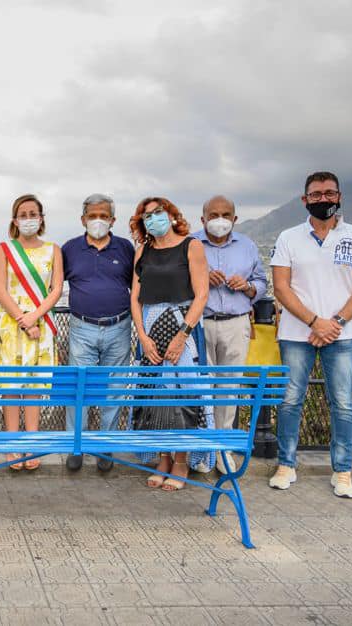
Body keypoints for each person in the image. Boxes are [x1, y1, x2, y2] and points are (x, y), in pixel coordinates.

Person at [269, 171, 352, 498]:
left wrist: (336, 323)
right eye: (316, 195)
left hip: (343, 335)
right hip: (296, 333)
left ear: (339, 196)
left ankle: (342, 472)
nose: (323, 199)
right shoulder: (289, 237)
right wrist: (315, 322)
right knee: (289, 401)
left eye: (329, 193)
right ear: (305, 200)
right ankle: (286, 465)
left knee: (342, 404)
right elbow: (281, 287)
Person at [129, 196, 210, 491]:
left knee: (184, 393)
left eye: (158, 212)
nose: (153, 219)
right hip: (150, 327)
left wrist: (182, 335)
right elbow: (135, 298)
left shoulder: (192, 246)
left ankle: (181, 460)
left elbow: (201, 295)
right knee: (156, 395)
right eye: (147, 215)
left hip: (182, 326)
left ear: (172, 215)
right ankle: (162, 457)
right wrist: (142, 335)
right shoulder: (144, 251)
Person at [61, 193, 136, 472]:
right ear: (83, 219)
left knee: (113, 390)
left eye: (104, 216)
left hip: (119, 327)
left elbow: (136, 285)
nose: (98, 221)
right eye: (93, 216)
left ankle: (105, 447)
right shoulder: (69, 249)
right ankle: (75, 446)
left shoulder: (125, 248)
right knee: (78, 389)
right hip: (81, 327)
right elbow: (55, 285)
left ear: (113, 220)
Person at [193, 195, 268, 473]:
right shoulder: (191, 244)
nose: (219, 220)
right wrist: (202, 279)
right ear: (203, 219)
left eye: (225, 214)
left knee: (229, 387)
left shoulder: (247, 246)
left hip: (236, 323)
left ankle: (222, 448)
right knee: (201, 388)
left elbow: (261, 282)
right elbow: (179, 281)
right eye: (213, 215)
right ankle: (203, 450)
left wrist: (248, 287)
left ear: (235, 219)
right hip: (201, 323)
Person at [0, 194, 63, 470]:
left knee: (33, 386)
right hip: (11, 325)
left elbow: (56, 289)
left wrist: (35, 316)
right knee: (11, 386)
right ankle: (12, 445)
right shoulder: (4, 249)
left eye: (33, 213)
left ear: (41, 218)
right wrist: (23, 319)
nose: (29, 218)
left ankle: (30, 443)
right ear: (15, 219)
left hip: (41, 323)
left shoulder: (53, 249)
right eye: (23, 214)